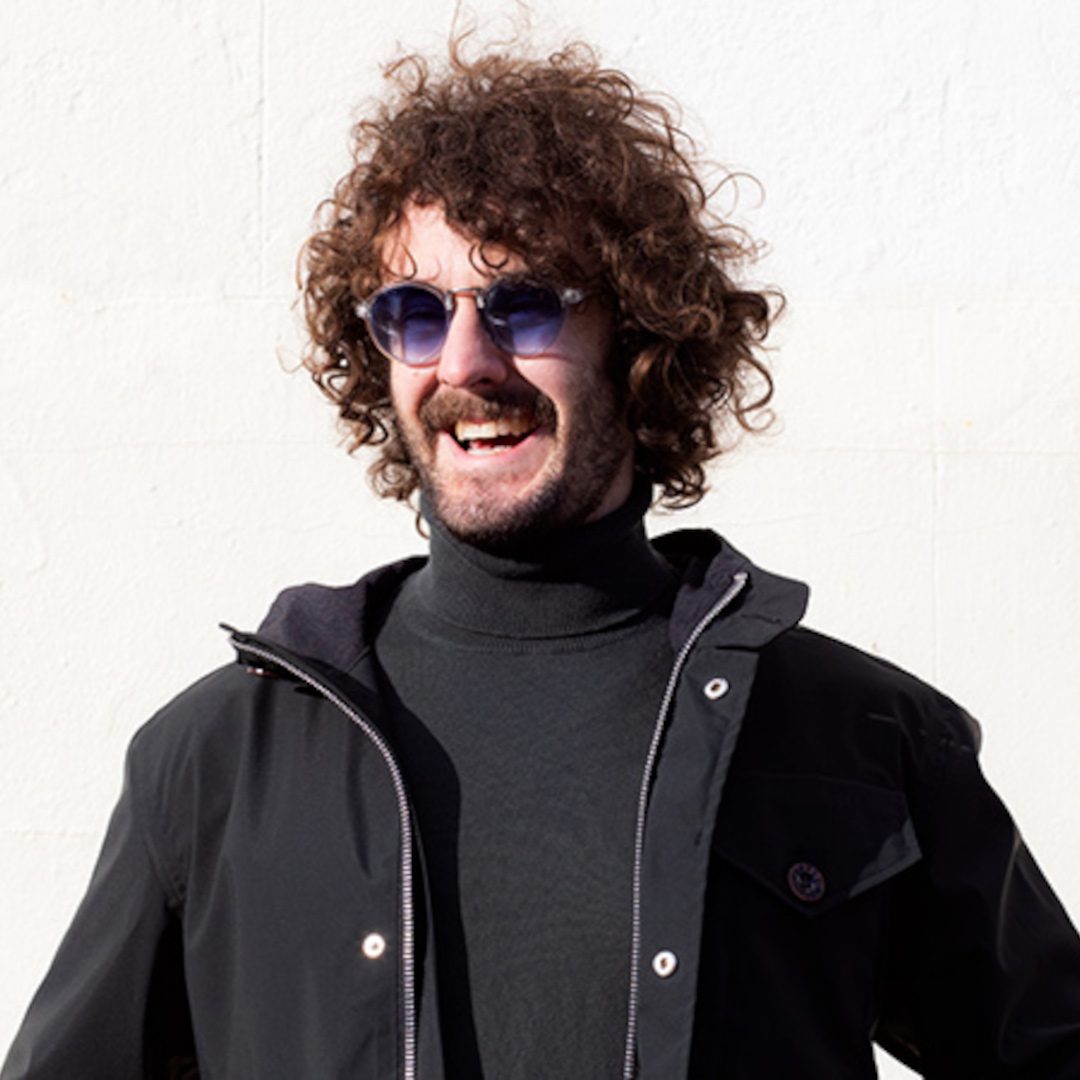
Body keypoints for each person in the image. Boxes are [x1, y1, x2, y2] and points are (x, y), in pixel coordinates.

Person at [5, 37, 1080, 1080]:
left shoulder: (861, 738)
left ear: (641, 334)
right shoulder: (215, 760)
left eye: (523, 304)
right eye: (413, 315)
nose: (466, 362)